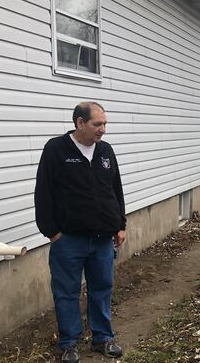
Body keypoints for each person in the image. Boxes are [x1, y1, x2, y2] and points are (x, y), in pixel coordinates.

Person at [35, 101, 126, 363]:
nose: (103, 130)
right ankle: (69, 343)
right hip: (68, 240)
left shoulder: (106, 151)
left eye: (105, 124)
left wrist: (120, 224)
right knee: (67, 292)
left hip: (102, 240)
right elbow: (43, 193)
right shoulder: (56, 149)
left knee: (102, 289)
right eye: (98, 124)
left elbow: (115, 189)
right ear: (80, 123)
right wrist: (52, 232)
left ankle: (102, 338)